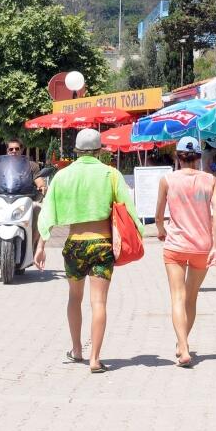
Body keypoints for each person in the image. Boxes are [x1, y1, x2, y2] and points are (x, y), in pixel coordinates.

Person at [35, 128, 142, 373]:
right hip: (102, 244)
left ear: (77, 150)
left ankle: (76, 350)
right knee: (99, 302)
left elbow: (47, 211)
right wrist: (139, 234)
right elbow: (129, 209)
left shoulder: (63, 175)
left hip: (74, 245)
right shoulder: (110, 174)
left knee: (74, 298)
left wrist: (42, 244)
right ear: (99, 151)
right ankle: (95, 358)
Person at [155, 137, 216, 368]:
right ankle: (182, 342)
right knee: (191, 297)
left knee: (177, 296)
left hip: (175, 245)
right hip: (201, 246)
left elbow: (158, 214)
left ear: (177, 156)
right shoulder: (210, 180)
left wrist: (161, 229)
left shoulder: (167, 180)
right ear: (198, 157)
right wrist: (215, 245)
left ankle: (183, 347)